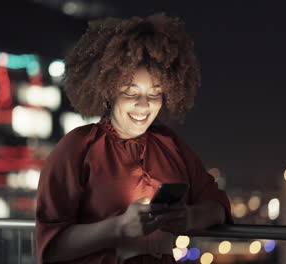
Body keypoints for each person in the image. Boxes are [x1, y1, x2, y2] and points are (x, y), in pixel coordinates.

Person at [36, 13, 233, 264]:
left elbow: (218, 205)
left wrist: (190, 217)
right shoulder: (76, 148)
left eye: (155, 93)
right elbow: (50, 246)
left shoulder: (171, 145)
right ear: (108, 92)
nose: (144, 105)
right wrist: (118, 227)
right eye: (131, 92)